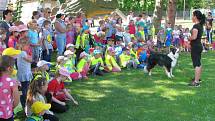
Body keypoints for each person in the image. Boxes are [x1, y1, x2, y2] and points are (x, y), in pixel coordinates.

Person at [188, 10, 205, 87]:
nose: (192, 17)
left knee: (196, 64)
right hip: (198, 46)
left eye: (192, 15)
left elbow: (194, 37)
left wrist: (189, 38)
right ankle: (198, 78)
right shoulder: (200, 25)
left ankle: (196, 82)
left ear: (195, 16)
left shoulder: (196, 26)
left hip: (195, 47)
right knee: (198, 62)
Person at [0, 55, 20, 121]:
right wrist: (11, 107)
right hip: (6, 114)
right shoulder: (12, 82)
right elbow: (17, 101)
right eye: (13, 67)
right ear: (9, 68)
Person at [17, 42, 33, 108]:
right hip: (24, 74)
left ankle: (25, 103)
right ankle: (24, 104)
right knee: (24, 89)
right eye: (27, 45)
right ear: (22, 46)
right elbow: (30, 60)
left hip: (24, 73)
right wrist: (30, 57)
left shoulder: (22, 53)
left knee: (25, 88)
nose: (28, 47)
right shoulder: (22, 53)